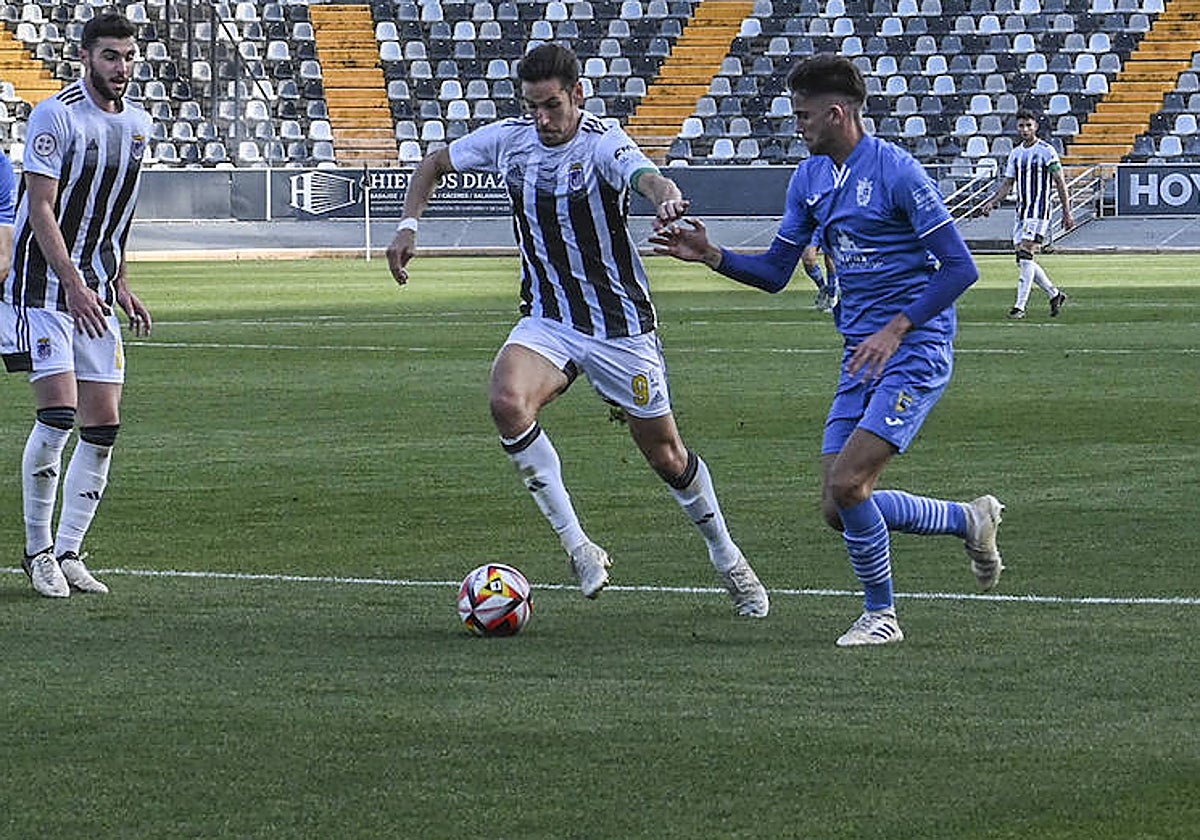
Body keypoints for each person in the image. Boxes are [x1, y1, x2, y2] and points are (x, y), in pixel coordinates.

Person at [384, 43, 769, 617]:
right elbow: (432, 165)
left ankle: (727, 557)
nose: (543, 119)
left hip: (620, 328)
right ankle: (579, 548)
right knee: (507, 401)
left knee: (666, 455)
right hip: (549, 318)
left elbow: (647, 177)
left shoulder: (602, 142)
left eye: (553, 106)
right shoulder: (509, 140)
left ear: (578, 95)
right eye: (533, 107)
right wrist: (408, 226)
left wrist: (667, 198)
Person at [650, 54, 1003, 645]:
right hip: (860, 356)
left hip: (913, 349)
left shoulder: (897, 172)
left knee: (848, 484)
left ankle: (881, 616)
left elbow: (960, 268)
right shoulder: (809, 179)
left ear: (837, 114)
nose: (798, 126)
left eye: (804, 115)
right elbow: (775, 272)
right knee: (840, 506)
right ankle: (966, 519)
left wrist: (896, 328)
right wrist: (712, 256)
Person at [1, 11, 153, 598]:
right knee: (59, 415)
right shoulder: (55, 115)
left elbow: (119, 215)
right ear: (85, 57)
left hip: (94, 290)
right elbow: (40, 207)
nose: (122, 67)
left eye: (129, 57)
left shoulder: (138, 125)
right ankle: (36, 551)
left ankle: (69, 551)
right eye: (111, 56)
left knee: (103, 425)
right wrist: (70, 282)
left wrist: (120, 281)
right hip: (44, 289)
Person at [982, 109, 1074, 319]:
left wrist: (1067, 212)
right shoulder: (1015, 153)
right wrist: (993, 202)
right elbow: (1008, 183)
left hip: (1039, 210)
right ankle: (1054, 294)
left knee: (1025, 254)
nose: (1025, 130)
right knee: (1023, 259)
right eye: (1021, 126)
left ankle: (1019, 307)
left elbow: (1060, 181)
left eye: (1028, 125)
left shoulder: (1047, 151)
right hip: (1021, 211)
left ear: (1036, 127)